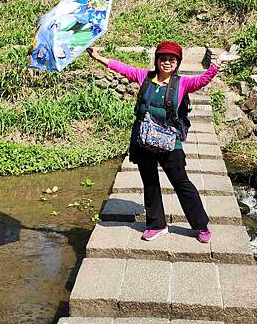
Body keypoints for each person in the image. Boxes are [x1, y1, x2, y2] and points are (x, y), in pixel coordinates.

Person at [87, 41, 239, 243]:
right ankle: (156, 224)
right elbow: (124, 68)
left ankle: (201, 225)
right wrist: (99, 58)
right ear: (157, 60)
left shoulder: (182, 83)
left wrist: (217, 63)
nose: (167, 63)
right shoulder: (145, 77)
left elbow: (202, 80)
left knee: (181, 183)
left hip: (170, 143)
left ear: (177, 63)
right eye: (163, 59)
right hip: (144, 140)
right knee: (150, 183)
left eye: (172, 59)